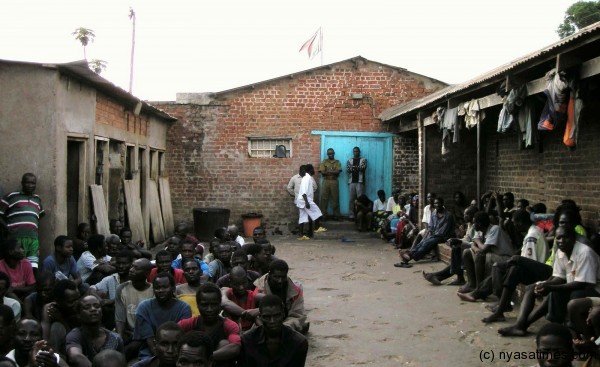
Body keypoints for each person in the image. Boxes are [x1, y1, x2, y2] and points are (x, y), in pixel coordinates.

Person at [499, 225, 600, 337]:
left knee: (560, 292)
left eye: (565, 237)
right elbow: (559, 277)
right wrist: (545, 284)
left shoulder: (584, 252)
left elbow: (582, 283)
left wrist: (551, 287)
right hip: (577, 286)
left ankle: (572, 333)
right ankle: (520, 325)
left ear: (573, 238)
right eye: (558, 238)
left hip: (593, 290)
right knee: (533, 287)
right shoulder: (561, 252)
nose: (561, 241)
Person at [177, 283, 241, 365]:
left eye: (214, 305)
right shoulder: (188, 324)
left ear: (220, 305)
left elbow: (235, 348)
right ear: (198, 305)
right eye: (205, 305)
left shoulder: (229, 325)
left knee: (224, 343)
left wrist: (205, 358)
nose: (209, 309)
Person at [239, 294, 308, 367]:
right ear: (260, 317)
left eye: (277, 316)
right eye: (267, 317)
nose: (272, 321)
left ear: (283, 315)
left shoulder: (298, 342)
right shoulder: (247, 340)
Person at [134, 272, 191, 358]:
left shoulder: (184, 308)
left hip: (177, 352)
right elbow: (150, 340)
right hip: (149, 353)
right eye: (157, 288)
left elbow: (181, 338)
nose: (161, 291)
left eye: (165, 287)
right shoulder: (144, 307)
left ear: (173, 288)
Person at [457, 211, 513, 294]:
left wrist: (477, 242)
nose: (473, 224)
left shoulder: (495, 229)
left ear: (479, 224)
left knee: (480, 256)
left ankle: (479, 288)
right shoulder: (479, 230)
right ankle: (471, 284)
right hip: (492, 255)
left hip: (504, 258)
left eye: (474, 222)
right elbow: (473, 244)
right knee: (466, 252)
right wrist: (476, 248)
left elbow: (484, 248)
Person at [422, 205, 478, 286]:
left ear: (473, 215)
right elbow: (467, 238)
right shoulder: (470, 224)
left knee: (457, 252)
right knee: (456, 248)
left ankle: (438, 276)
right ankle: (438, 276)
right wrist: (456, 240)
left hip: (475, 250)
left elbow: (474, 243)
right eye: (464, 214)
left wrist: (459, 241)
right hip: (469, 248)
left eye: (467, 215)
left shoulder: (477, 226)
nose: (464, 216)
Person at [0, 173, 45, 269]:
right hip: (16, 238)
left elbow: (37, 217)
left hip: (33, 239)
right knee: (16, 265)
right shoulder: (11, 196)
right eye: (27, 183)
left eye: (33, 183)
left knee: (33, 266)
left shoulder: (37, 199)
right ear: (22, 183)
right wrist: (6, 228)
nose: (30, 185)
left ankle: (31, 283)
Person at [65, 295, 124, 367]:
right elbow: (75, 356)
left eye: (97, 306)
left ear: (102, 312)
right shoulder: (75, 335)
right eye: (87, 307)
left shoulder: (115, 338)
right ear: (79, 315)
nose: (93, 309)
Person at [115, 258, 154, 361]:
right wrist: (119, 337)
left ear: (146, 273)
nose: (131, 270)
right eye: (132, 266)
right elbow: (120, 317)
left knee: (129, 350)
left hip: (147, 334)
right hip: (129, 333)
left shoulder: (154, 290)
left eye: (136, 268)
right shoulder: (122, 288)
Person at [396, 198, 454, 267]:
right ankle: (409, 255)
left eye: (439, 203)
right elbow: (430, 227)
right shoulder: (434, 213)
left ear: (442, 204)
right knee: (423, 242)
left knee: (427, 242)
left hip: (444, 236)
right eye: (435, 203)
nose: (437, 205)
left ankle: (410, 255)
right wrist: (428, 234)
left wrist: (431, 235)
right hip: (434, 235)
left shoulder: (448, 215)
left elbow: (443, 232)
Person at [254, 260, 307, 333]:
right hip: (265, 324)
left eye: (283, 277)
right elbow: (255, 314)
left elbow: (298, 315)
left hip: (287, 324)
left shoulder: (295, 291)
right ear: (270, 274)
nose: (280, 281)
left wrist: (284, 327)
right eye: (276, 277)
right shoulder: (259, 289)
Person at [41, 279, 80, 355]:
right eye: (71, 302)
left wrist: (60, 319)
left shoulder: (81, 308)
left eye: (77, 299)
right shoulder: (50, 308)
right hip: (56, 349)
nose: (76, 303)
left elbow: (75, 338)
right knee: (57, 327)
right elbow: (44, 339)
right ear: (58, 301)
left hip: (76, 348)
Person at [220, 267, 264, 332]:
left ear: (247, 280)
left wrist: (258, 310)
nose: (241, 287)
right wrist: (250, 316)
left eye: (244, 283)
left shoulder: (254, 296)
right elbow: (224, 302)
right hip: (230, 333)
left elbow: (276, 302)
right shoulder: (226, 292)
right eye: (237, 284)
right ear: (230, 283)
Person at [296, 164, 325, 240]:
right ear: (310, 170)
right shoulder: (307, 178)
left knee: (302, 217)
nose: (314, 171)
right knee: (317, 212)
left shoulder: (307, 178)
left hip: (302, 200)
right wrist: (307, 202)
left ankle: (301, 235)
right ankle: (317, 228)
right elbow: (304, 192)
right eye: (313, 169)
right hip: (305, 200)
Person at [319, 148, 342, 221]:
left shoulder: (337, 162)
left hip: (334, 181)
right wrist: (333, 171)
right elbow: (322, 172)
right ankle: (323, 215)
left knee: (335, 199)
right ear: (327, 154)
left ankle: (336, 216)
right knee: (324, 199)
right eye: (329, 154)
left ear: (334, 153)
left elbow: (338, 172)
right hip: (326, 181)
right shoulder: (324, 162)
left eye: (331, 153)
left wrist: (328, 171)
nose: (330, 155)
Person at [346, 147, 367, 220]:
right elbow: (348, 169)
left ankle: (359, 214)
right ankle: (351, 215)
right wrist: (357, 168)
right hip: (351, 182)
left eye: (357, 151)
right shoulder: (349, 160)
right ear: (353, 152)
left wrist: (354, 168)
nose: (356, 153)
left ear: (359, 152)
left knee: (360, 199)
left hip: (360, 182)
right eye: (354, 151)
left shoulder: (363, 160)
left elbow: (363, 168)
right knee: (351, 199)